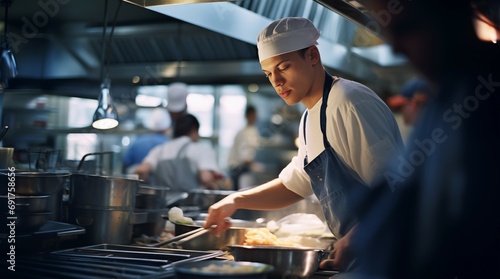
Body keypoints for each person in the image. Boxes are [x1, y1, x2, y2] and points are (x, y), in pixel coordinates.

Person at [203, 17, 404, 271]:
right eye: (268, 74)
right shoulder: (310, 117)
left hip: (393, 258)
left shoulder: (350, 102)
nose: (276, 81)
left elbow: (398, 191)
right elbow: (295, 184)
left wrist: (353, 239)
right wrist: (236, 199)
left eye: (284, 67)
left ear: (312, 56)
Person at [340, 0, 500, 278]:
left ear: (450, 15)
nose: (396, 48)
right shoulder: (447, 95)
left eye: (407, 29)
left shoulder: (485, 100)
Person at [134, 113, 230, 191]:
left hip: (162, 207)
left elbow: (141, 171)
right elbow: (205, 178)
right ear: (194, 130)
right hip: (190, 209)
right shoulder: (202, 150)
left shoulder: (160, 150)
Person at [122, 107, 171, 173]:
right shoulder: (169, 145)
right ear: (167, 128)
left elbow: (125, 166)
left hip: (138, 182)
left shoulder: (138, 142)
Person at [227, 105, 263, 190]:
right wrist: (253, 165)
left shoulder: (246, 131)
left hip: (238, 168)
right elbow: (245, 155)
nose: (256, 117)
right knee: (239, 193)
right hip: (238, 169)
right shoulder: (246, 132)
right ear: (250, 115)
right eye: (254, 114)